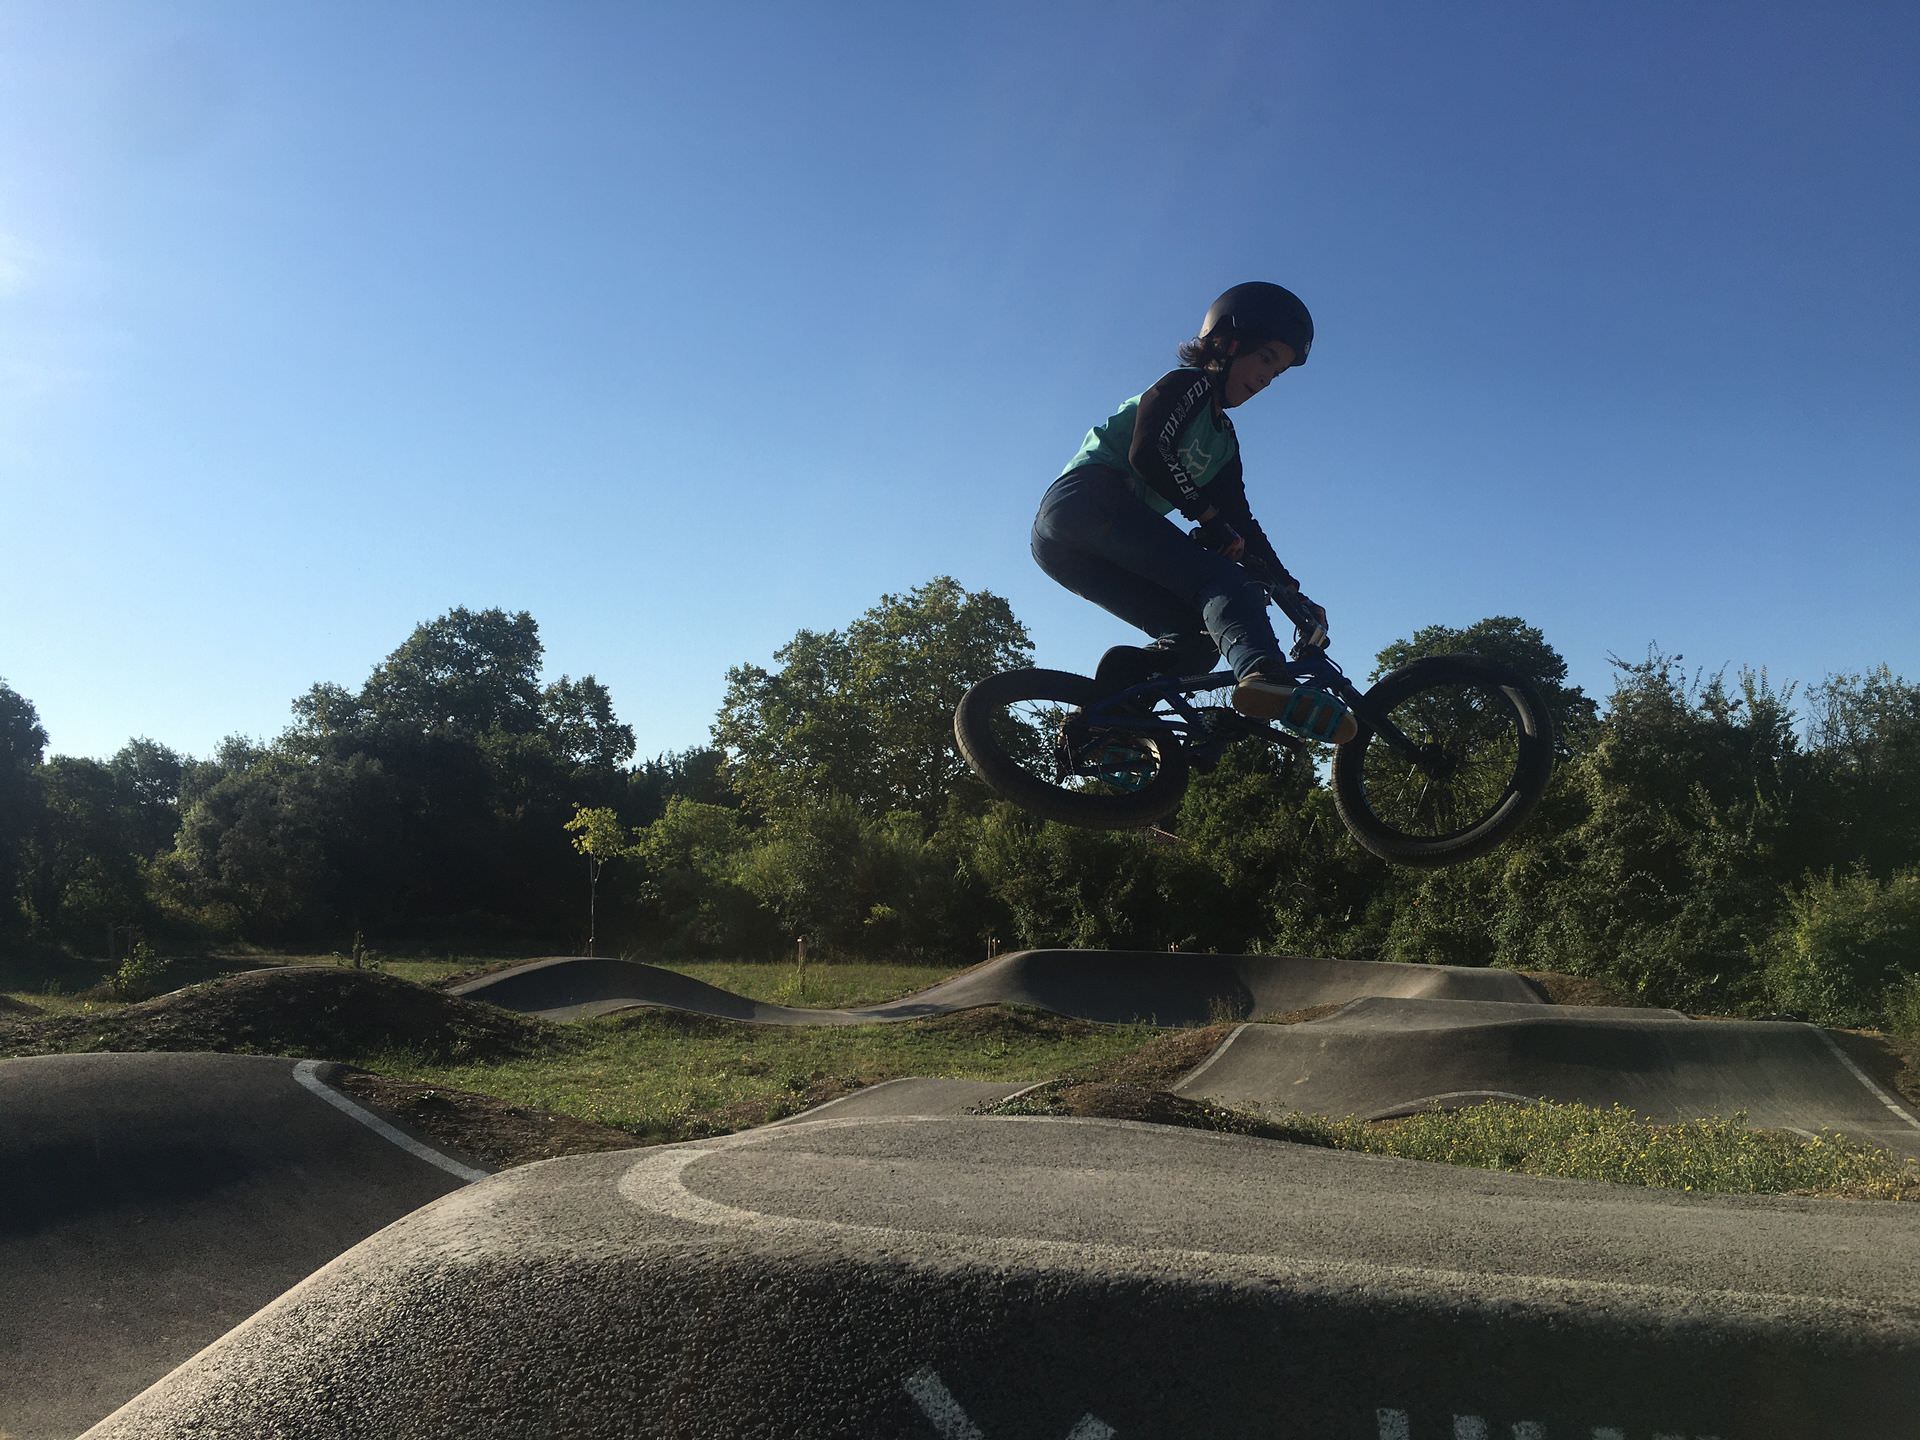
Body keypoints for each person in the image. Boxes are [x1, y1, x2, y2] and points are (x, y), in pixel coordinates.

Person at [1030, 281, 1357, 743]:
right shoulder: (1190, 385)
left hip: (1075, 550)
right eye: (1265, 359)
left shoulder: (1224, 440)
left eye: (1277, 373)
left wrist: (1292, 591)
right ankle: (1265, 675)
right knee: (1222, 580)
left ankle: (1103, 726)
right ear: (1226, 343)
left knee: (1196, 639)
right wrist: (1207, 516)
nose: (1266, 379)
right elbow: (1149, 451)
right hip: (1085, 501)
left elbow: (1243, 523)